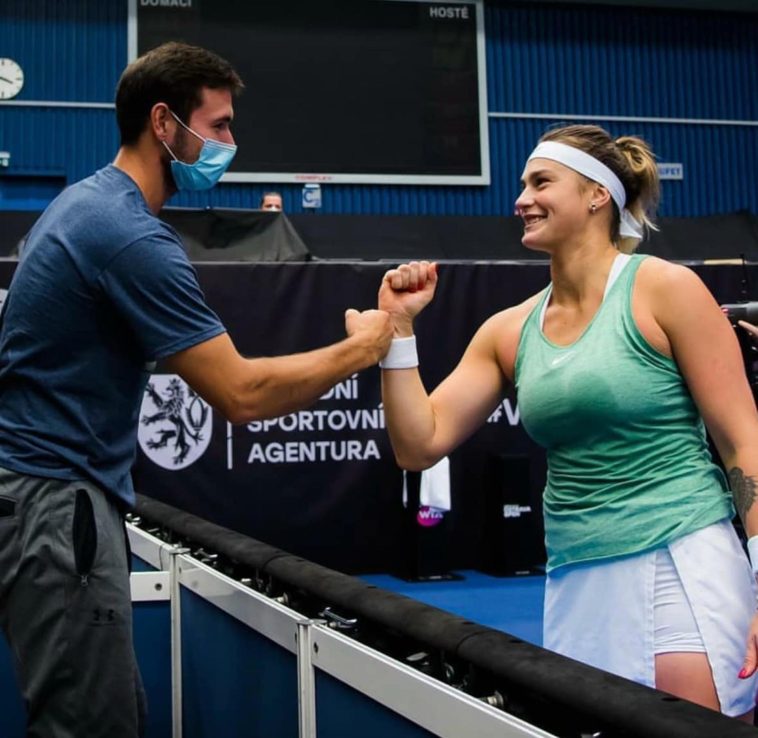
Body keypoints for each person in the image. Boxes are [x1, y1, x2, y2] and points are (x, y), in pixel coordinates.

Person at [0, 42, 391, 738]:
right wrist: (367, 346)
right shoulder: (125, 235)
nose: (231, 144)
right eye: (219, 126)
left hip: (39, 495)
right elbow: (240, 394)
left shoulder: (79, 205)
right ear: (163, 123)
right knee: (92, 726)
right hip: (58, 506)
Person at [377, 124, 758, 721]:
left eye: (540, 182)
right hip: (576, 574)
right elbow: (418, 444)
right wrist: (398, 332)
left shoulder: (667, 289)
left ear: (597, 195)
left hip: (680, 559)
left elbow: (743, 442)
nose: (521, 198)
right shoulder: (509, 329)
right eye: (522, 184)